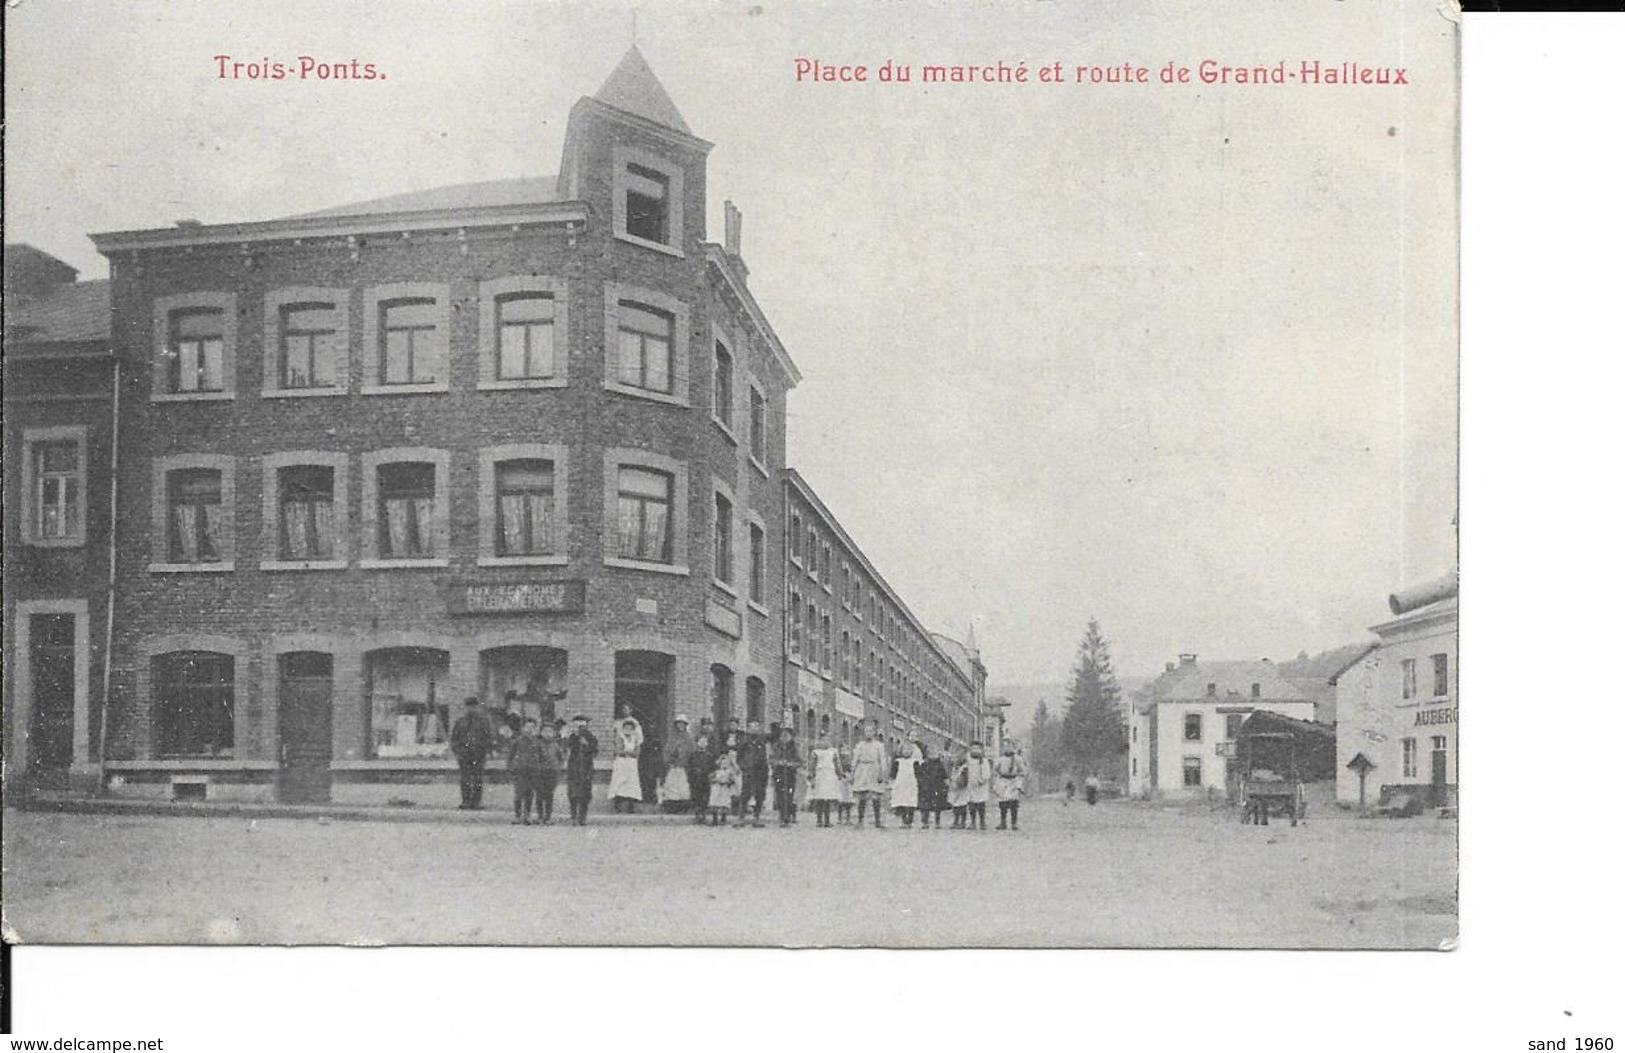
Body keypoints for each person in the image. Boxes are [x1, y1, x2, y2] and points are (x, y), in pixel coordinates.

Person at [450, 696, 494, 810]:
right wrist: (458, 751)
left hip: (478, 754)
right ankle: (465, 801)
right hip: (464, 755)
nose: (471, 709)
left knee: (477, 778)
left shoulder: (484, 721)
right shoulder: (460, 722)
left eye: (473, 707)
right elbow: (454, 738)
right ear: (465, 708)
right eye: (469, 707)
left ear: (477, 707)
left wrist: (485, 750)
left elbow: (488, 737)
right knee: (465, 778)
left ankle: (476, 802)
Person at [848, 721, 889, 828]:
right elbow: (855, 759)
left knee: (876, 796)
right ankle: (860, 821)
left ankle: (877, 821)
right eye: (866, 731)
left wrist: (882, 772)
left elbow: (883, 760)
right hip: (862, 770)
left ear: (874, 733)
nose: (868, 733)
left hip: (874, 769)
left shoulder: (879, 745)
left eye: (871, 731)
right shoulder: (860, 745)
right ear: (864, 733)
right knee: (862, 796)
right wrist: (852, 773)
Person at [564, 714, 599, 825]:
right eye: (578, 725)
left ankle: (582, 817)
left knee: (585, 794)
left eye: (583, 725)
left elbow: (595, 751)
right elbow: (568, 748)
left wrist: (586, 745)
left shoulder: (591, 737)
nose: (581, 728)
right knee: (573, 793)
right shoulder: (572, 737)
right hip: (574, 768)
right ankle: (574, 815)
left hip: (586, 768)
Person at [507, 717, 544, 825]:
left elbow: (542, 756)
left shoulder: (537, 742)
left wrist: (539, 767)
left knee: (529, 794)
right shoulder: (517, 741)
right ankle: (518, 816)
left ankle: (527, 815)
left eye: (532, 727)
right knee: (519, 794)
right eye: (527, 727)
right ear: (523, 728)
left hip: (532, 771)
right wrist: (510, 767)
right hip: (520, 771)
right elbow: (510, 755)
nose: (529, 729)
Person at [735, 720, 771, 827]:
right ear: (748, 728)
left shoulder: (762, 740)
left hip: (761, 770)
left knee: (759, 794)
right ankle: (741, 817)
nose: (754, 729)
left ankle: (756, 817)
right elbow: (739, 756)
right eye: (752, 727)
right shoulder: (744, 741)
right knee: (745, 793)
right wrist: (744, 766)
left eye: (757, 726)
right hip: (749, 771)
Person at [769, 726, 803, 827]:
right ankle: (781, 815)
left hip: (790, 774)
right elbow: (771, 759)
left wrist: (790, 764)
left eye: (787, 735)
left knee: (789, 794)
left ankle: (787, 815)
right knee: (779, 794)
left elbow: (800, 761)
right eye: (782, 735)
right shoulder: (775, 746)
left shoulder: (795, 747)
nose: (784, 737)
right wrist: (778, 762)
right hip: (779, 773)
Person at [609, 716, 644, 814]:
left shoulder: (635, 739)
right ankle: (618, 806)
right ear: (623, 728)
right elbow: (618, 751)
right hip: (621, 763)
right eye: (626, 728)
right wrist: (627, 752)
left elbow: (637, 752)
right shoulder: (620, 737)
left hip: (631, 764)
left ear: (633, 730)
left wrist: (627, 752)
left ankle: (630, 806)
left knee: (631, 784)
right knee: (620, 783)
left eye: (630, 728)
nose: (628, 730)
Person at [807, 733, 842, 827]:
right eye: (823, 740)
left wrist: (839, 774)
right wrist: (811, 775)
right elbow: (812, 765)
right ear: (820, 742)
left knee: (828, 798)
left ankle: (827, 820)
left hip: (830, 776)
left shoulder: (833, 752)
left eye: (827, 740)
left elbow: (837, 763)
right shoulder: (816, 752)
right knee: (820, 798)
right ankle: (819, 820)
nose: (825, 742)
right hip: (820, 775)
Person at [662, 714, 696, 813]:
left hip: (684, 767)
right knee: (672, 785)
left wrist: (687, 761)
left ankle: (683, 806)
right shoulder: (672, 737)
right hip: (673, 766)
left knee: (683, 786)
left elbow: (692, 751)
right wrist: (669, 759)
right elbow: (668, 750)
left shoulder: (689, 738)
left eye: (682, 724)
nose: (680, 726)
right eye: (678, 724)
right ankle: (671, 806)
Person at [993, 739, 1029, 830]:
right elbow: (995, 770)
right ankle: (1003, 822)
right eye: (1005, 746)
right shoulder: (1000, 759)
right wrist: (998, 777)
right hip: (1003, 781)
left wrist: (1018, 777)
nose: (1007, 748)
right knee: (1003, 803)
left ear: (1013, 748)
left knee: (1013, 803)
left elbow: (1023, 771)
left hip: (1013, 781)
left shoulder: (1017, 759)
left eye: (1009, 746)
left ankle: (1014, 823)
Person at [688, 718, 717, 824]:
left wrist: (710, 775)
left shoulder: (709, 756)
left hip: (705, 779)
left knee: (705, 797)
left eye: (705, 742)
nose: (703, 743)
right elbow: (689, 767)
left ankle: (703, 814)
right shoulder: (693, 755)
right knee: (696, 796)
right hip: (695, 779)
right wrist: (691, 776)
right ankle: (697, 813)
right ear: (697, 743)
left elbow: (712, 767)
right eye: (701, 741)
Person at [535, 720, 564, 824]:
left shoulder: (555, 745)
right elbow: (535, 758)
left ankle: (548, 817)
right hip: (540, 772)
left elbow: (561, 758)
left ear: (553, 733)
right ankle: (540, 816)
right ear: (541, 732)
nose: (548, 733)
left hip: (552, 772)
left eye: (550, 731)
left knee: (549, 795)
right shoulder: (537, 744)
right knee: (539, 794)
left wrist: (558, 767)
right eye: (545, 731)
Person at [890, 734, 923, 828]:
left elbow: (919, 773)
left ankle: (910, 820)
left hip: (911, 784)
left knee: (911, 802)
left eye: (909, 750)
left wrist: (920, 781)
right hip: (901, 784)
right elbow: (893, 773)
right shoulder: (898, 761)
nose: (907, 752)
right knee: (902, 801)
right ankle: (904, 820)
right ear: (901, 750)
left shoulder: (914, 762)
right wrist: (892, 780)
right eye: (905, 750)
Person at [961, 741, 994, 831]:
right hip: (971, 784)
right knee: (971, 804)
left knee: (981, 803)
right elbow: (963, 768)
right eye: (973, 748)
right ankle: (973, 821)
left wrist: (982, 779)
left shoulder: (984, 761)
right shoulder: (968, 760)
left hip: (980, 785)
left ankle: (982, 821)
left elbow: (987, 773)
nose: (975, 750)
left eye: (977, 748)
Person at [916, 743, 949, 829]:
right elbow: (920, 774)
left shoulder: (940, 764)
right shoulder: (924, 763)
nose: (933, 755)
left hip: (938, 786)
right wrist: (920, 783)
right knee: (925, 805)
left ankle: (937, 822)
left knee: (937, 805)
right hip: (926, 787)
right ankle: (925, 821)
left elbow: (944, 775)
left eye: (935, 753)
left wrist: (946, 783)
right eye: (930, 753)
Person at [708, 746, 741, 827]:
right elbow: (710, 778)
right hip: (717, 788)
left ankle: (723, 818)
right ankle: (714, 819)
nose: (724, 765)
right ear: (719, 764)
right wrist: (715, 780)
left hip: (725, 789)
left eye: (726, 763)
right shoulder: (716, 771)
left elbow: (733, 780)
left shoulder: (729, 772)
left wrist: (728, 781)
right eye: (722, 764)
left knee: (724, 803)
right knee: (715, 802)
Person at [947, 746, 971, 828]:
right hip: (954, 787)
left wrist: (961, 782)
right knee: (955, 805)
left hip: (962, 788)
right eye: (956, 755)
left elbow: (965, 778)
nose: (958, 757)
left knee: (962, 804)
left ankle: (963, 821)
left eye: (961, 754)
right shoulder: (954, 766)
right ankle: (956, 820)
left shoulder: (965, 767)